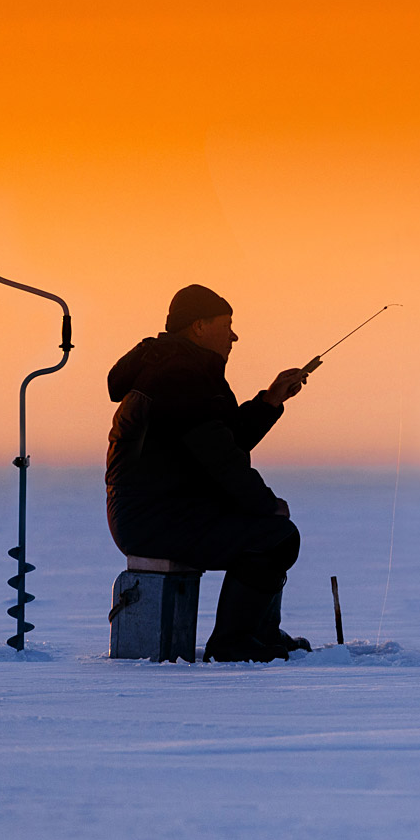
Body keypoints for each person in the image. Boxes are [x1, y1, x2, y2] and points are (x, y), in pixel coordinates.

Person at [105, 284, 311, 662]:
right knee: (276, 536)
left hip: (159, 511)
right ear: (199, 326)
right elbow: (221, 460)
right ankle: (235, 642)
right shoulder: (179, 377)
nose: (234, 336)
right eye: (227, 324)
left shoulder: (181, 370)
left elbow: (224, 437)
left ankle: (257, 633)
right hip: (154, 519)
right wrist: (267, 505)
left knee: (270, 531)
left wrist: (271, 400)